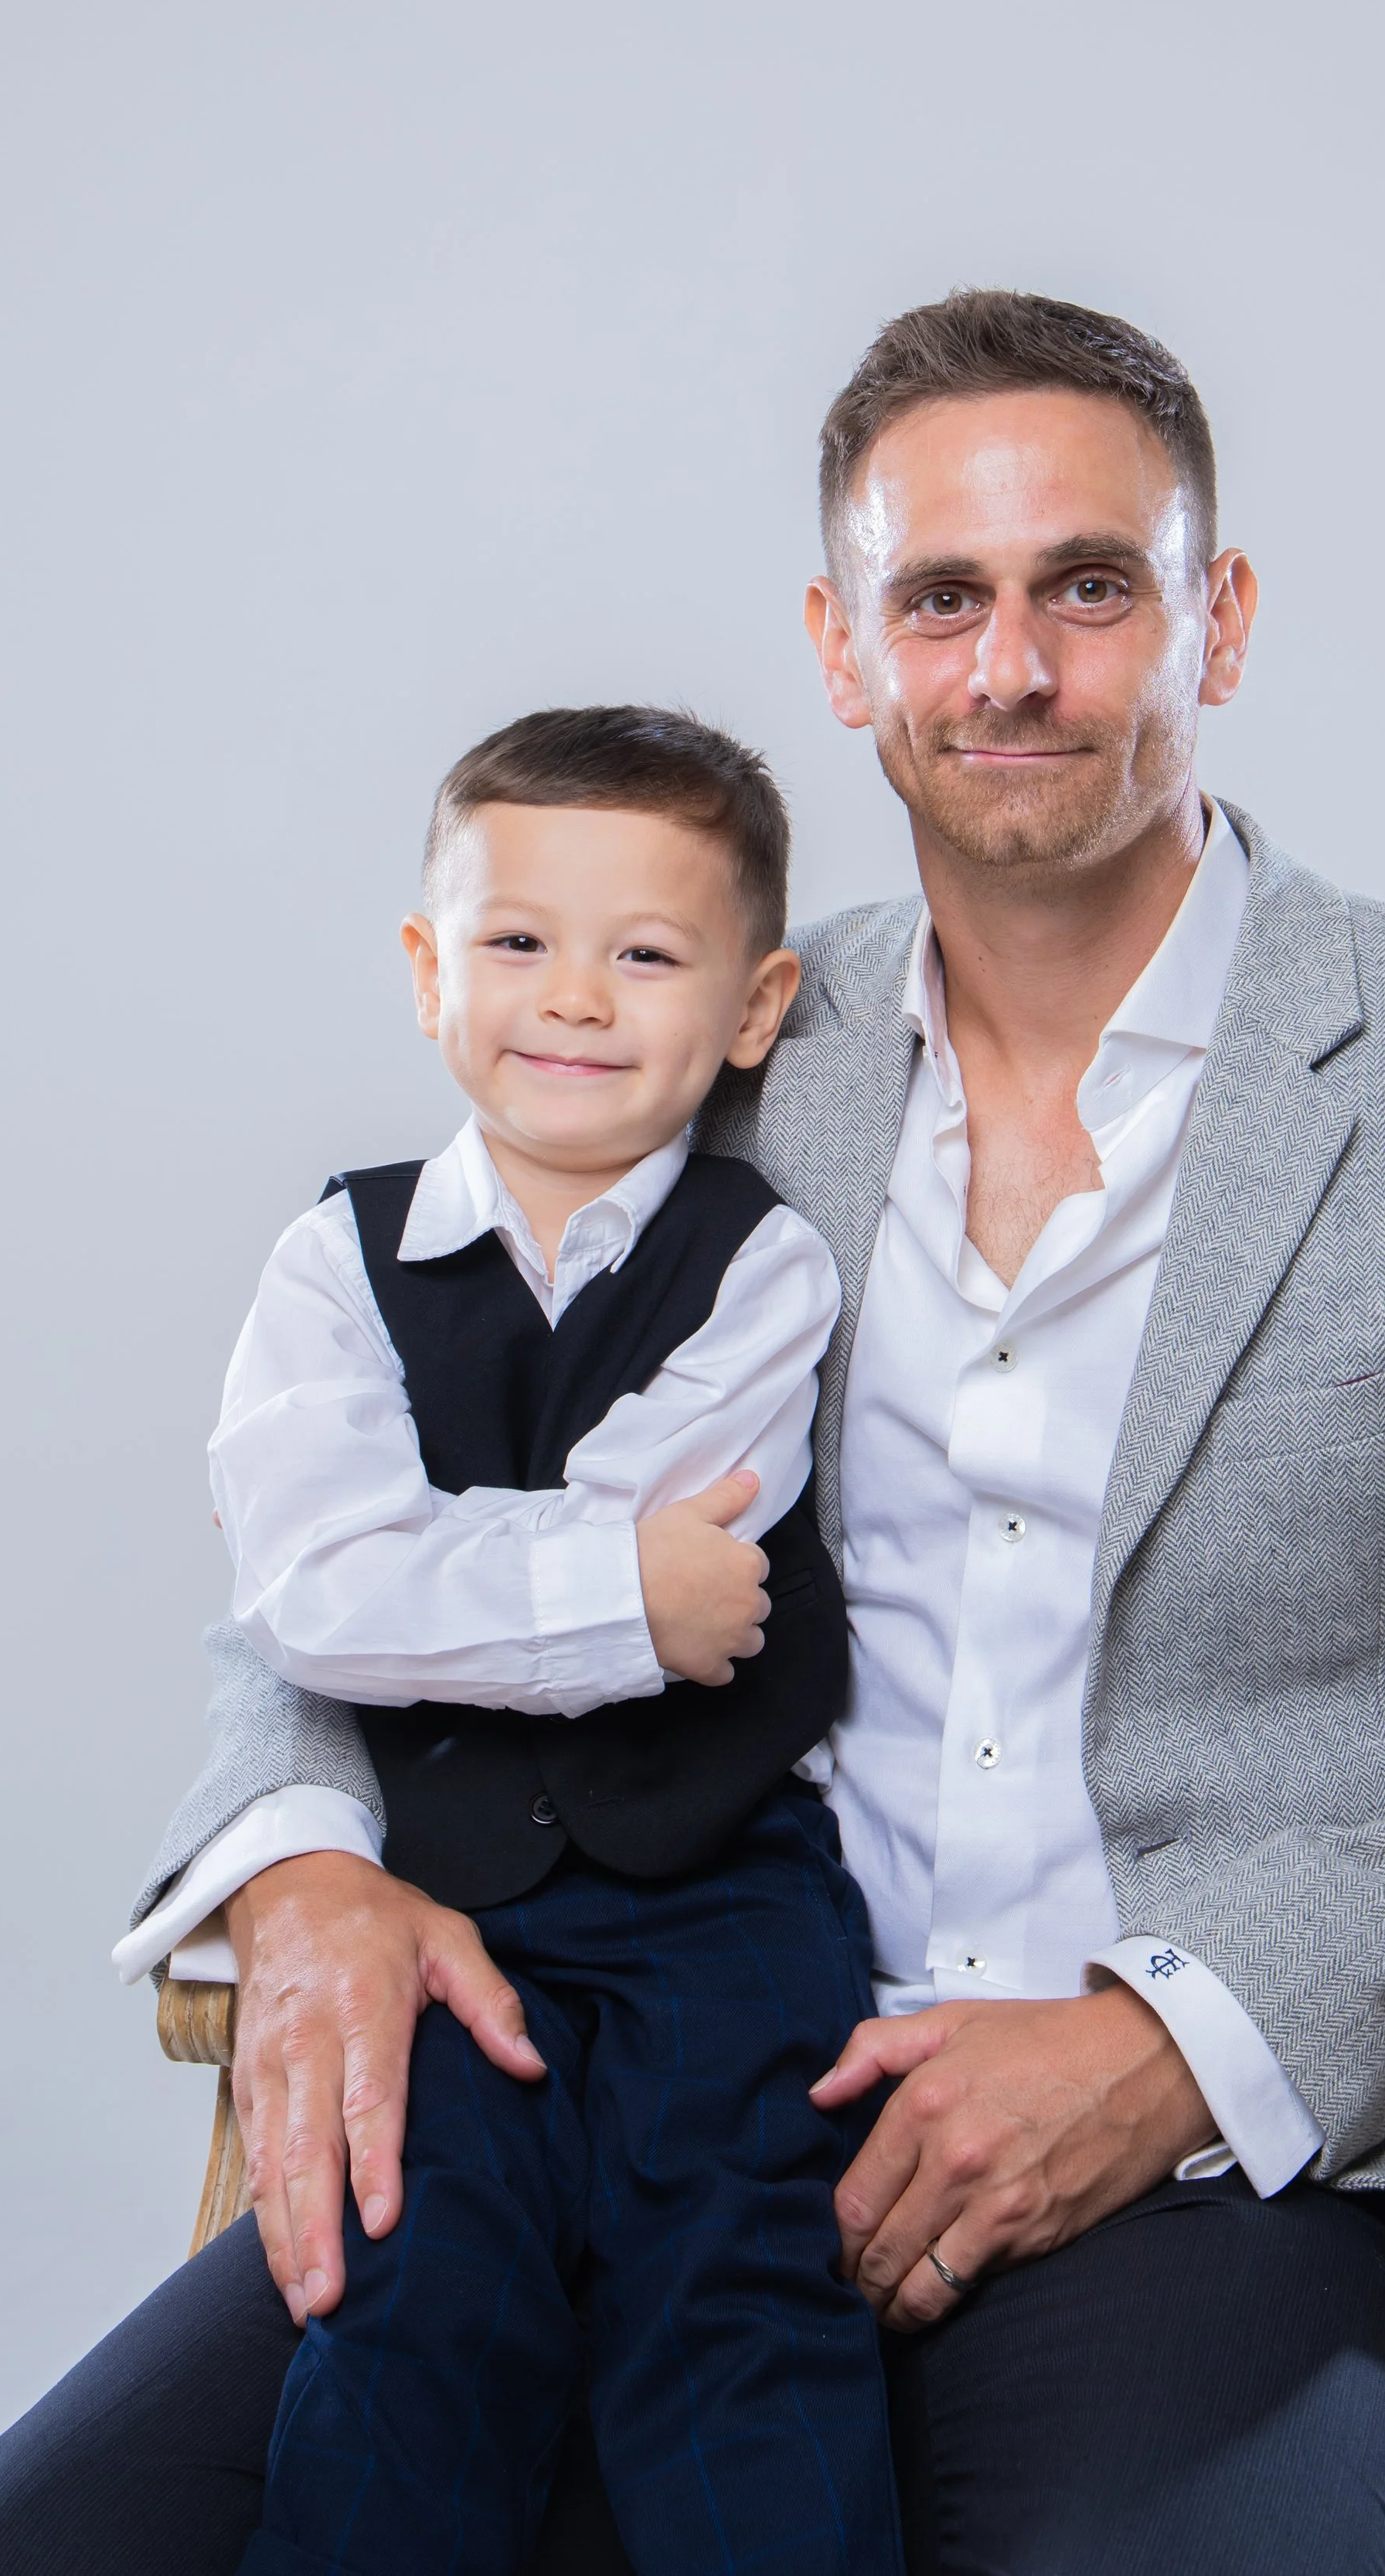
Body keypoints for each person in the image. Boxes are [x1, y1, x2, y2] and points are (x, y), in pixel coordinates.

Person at [0, 291, 1385, 2576]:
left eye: (1085, 585)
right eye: (943, 596)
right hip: (642, 2077)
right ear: (842, 650)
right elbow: (368, 1507)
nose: (1009, 668)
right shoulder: (708, 1035)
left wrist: (1162, 2034)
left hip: (1225, 2174)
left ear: (1213, 613)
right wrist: (305, 1859)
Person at [186, 703, 903, 2576]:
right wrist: (608, 1595)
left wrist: (437, 1571)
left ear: (750, 1013)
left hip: (722, 1898)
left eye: (645, 955)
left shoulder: (763, 1265)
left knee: (740, 2313)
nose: (572, 998)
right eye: (516, 941)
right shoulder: (330, 1263)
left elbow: (681, 1536)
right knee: (414, 2303)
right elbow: (306, 1587)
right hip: (449, 1920)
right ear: (428, 971)